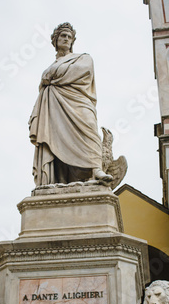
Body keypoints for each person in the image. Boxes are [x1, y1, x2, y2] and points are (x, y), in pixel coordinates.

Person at [29, 22, 113, 186]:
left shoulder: (83, 58)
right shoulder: (51, 67)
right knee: (55, 136)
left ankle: (96, 169)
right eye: (63, 36)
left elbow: (82, 71)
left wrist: (53, 77)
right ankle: (59, 179)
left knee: (89, 128)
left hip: (79, 100)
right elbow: (44, 81)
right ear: (55, 40)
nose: (66, 39)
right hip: (55, 104)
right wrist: (51, 77)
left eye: (69, 37)